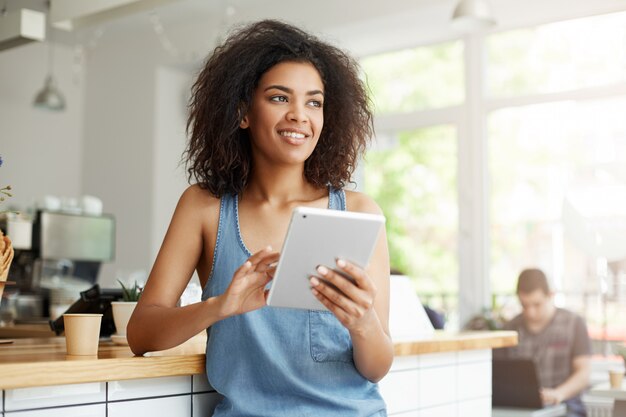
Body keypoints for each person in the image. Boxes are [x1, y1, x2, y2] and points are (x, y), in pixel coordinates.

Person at [127, 19, 392, 417]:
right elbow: (140, 333)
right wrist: (220, 307)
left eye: (314, 102)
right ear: (243, 112)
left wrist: (363, 323)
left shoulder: (358, 211)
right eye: (279, 98)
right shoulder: (204, 207)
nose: (300, 115)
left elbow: (378, 367)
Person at [495, 268, 591, 417]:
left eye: (536, 304)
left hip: (566, 405)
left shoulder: (574, 324)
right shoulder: (509, 329)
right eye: (524, 305)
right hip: (523, 409)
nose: (530, 312)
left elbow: (584, 374)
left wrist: (559, 393)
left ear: (550, 295)